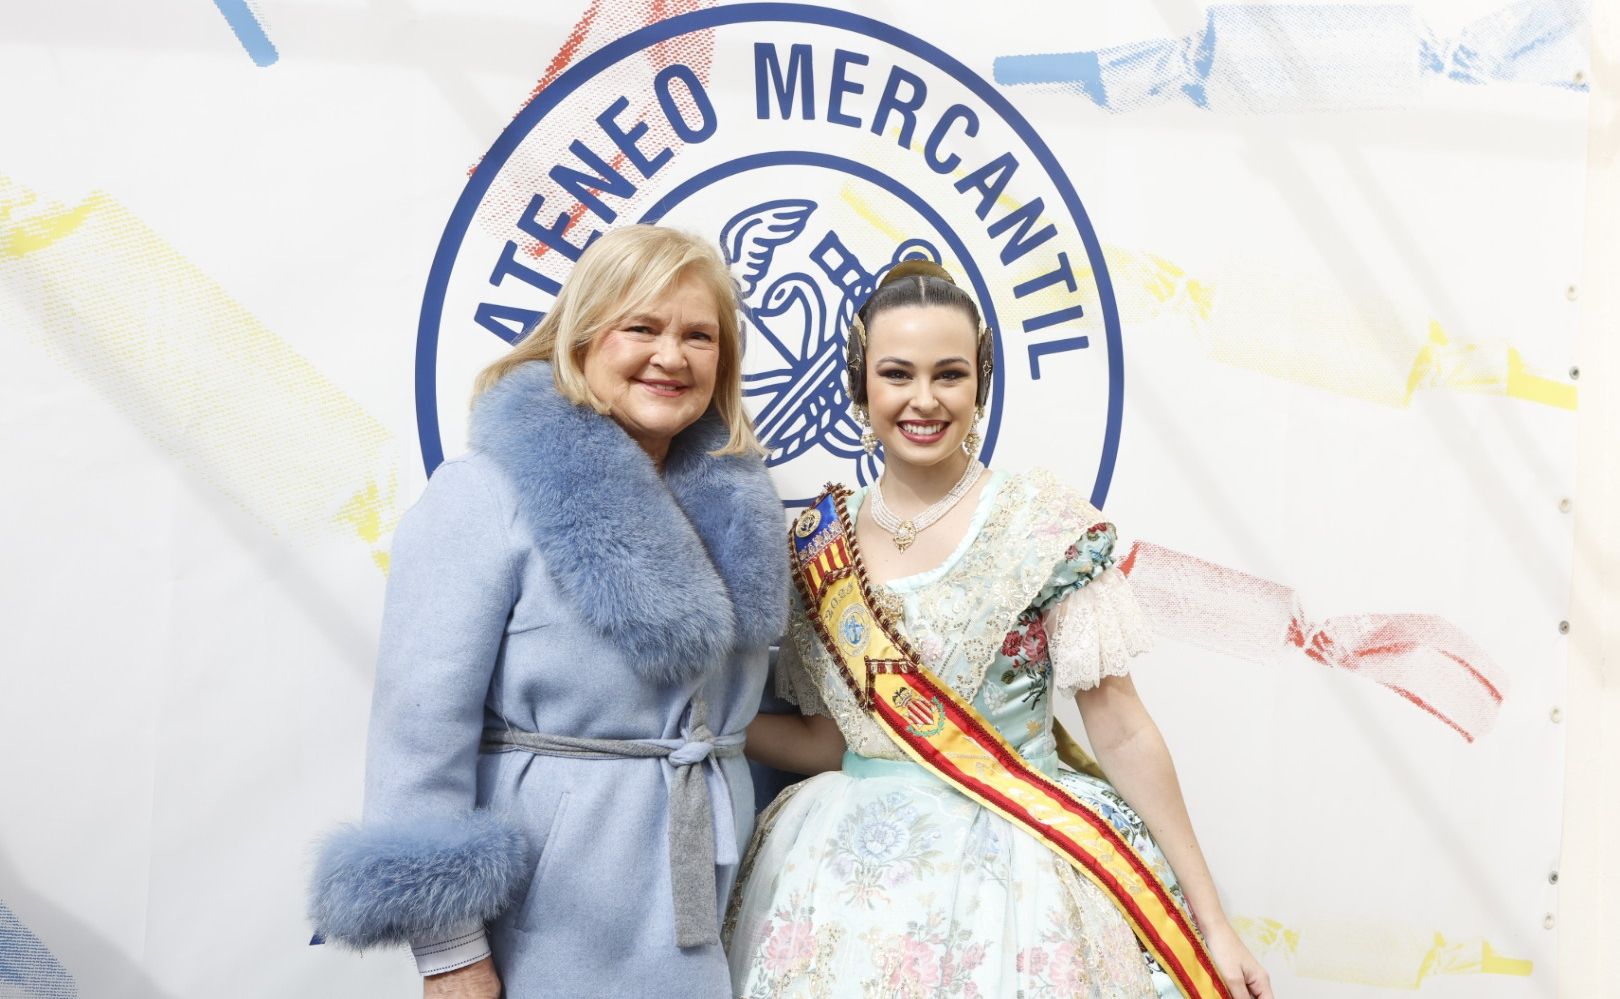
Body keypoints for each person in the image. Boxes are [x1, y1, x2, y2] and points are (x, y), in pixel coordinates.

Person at [730, 260, 1273, 999]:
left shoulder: (1041, 524)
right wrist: (706, 724)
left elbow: (1120, 729)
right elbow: (833, 740)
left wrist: (1214, 922)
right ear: (862, 383)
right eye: (898, 373)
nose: (924, 399)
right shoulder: (816, 543)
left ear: (981, 381)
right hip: (847, 882)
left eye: (949, 374)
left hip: (1022, 875)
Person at [308, 225, 789, 999]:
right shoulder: (483, 496)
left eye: (700, 335)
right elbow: (419, 736)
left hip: (719, 904)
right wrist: (450, 953)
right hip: (554, 919)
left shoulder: (738, 507)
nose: (672, 356)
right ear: (582, 335)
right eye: (642, 326)